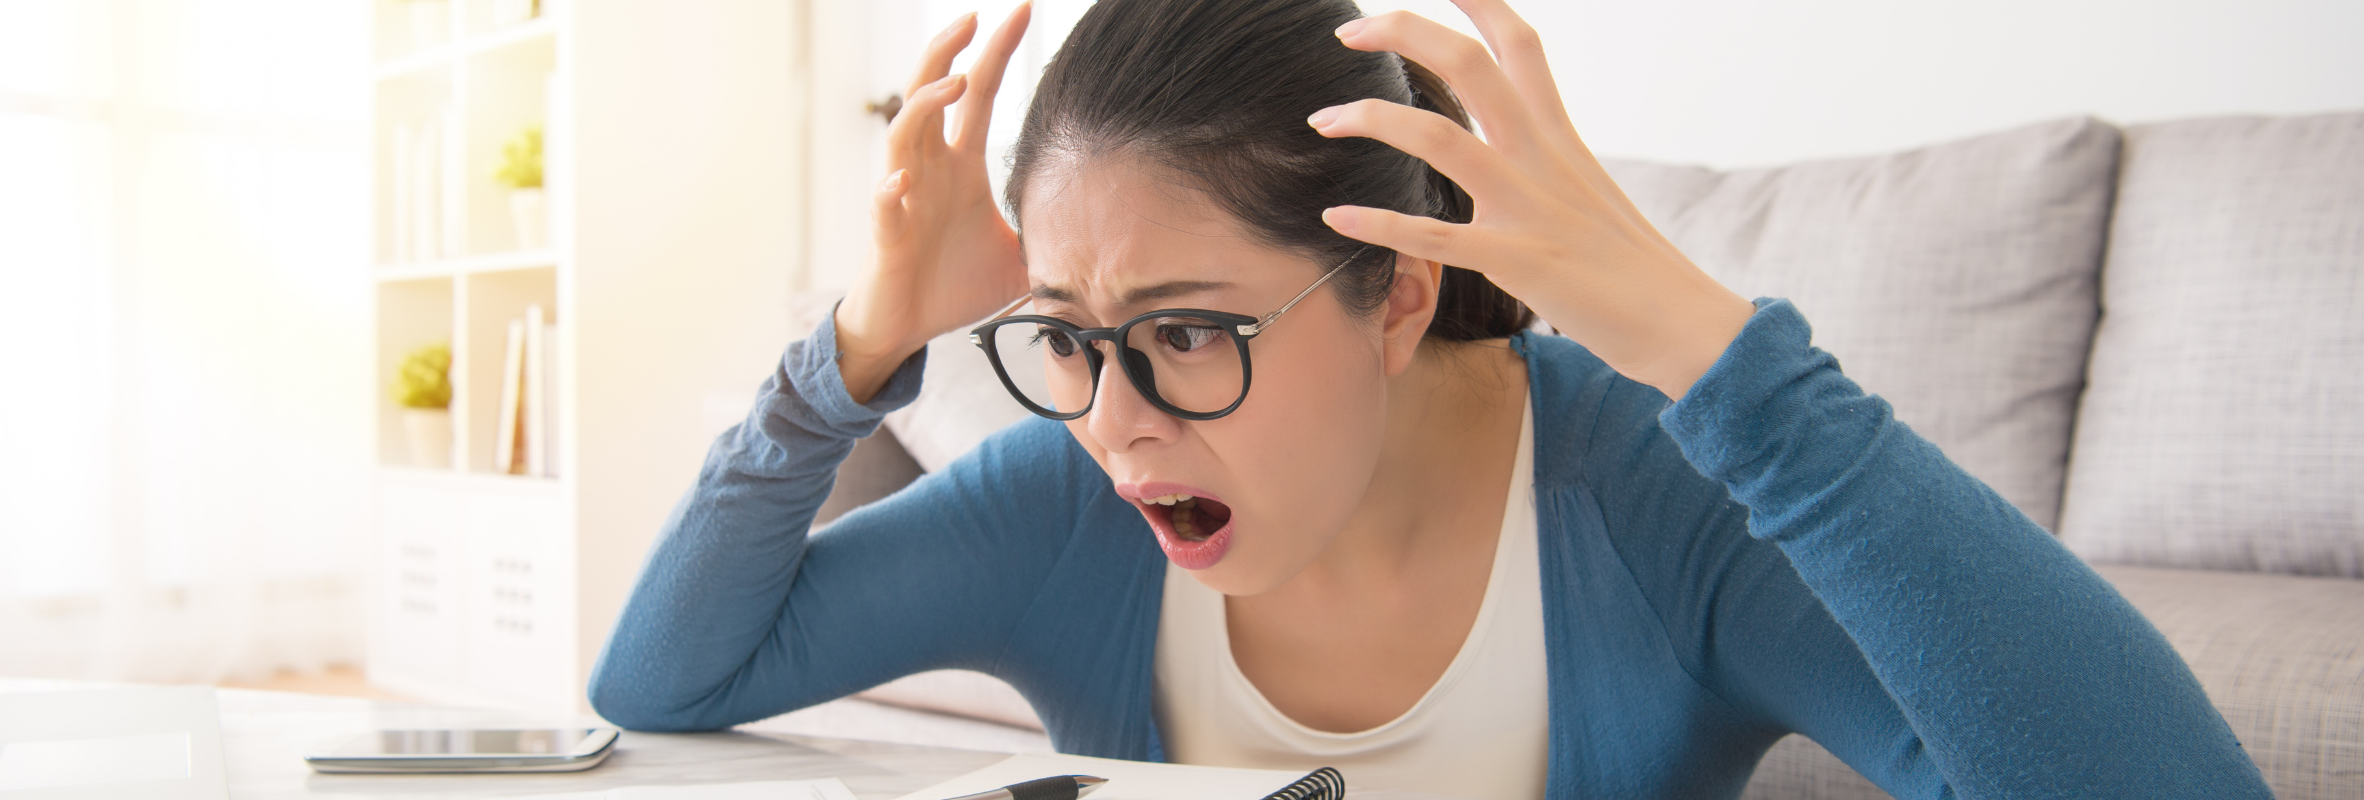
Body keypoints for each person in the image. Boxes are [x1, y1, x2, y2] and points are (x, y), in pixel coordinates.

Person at [587, 1, 2272, 797]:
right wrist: (855, 350)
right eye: (1069, 338)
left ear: (1396, 292)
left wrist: (1710, 349)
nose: (1114, 419)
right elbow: (662, 678)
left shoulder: (1643, 505)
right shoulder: (1065, 495)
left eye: (1185, 334)